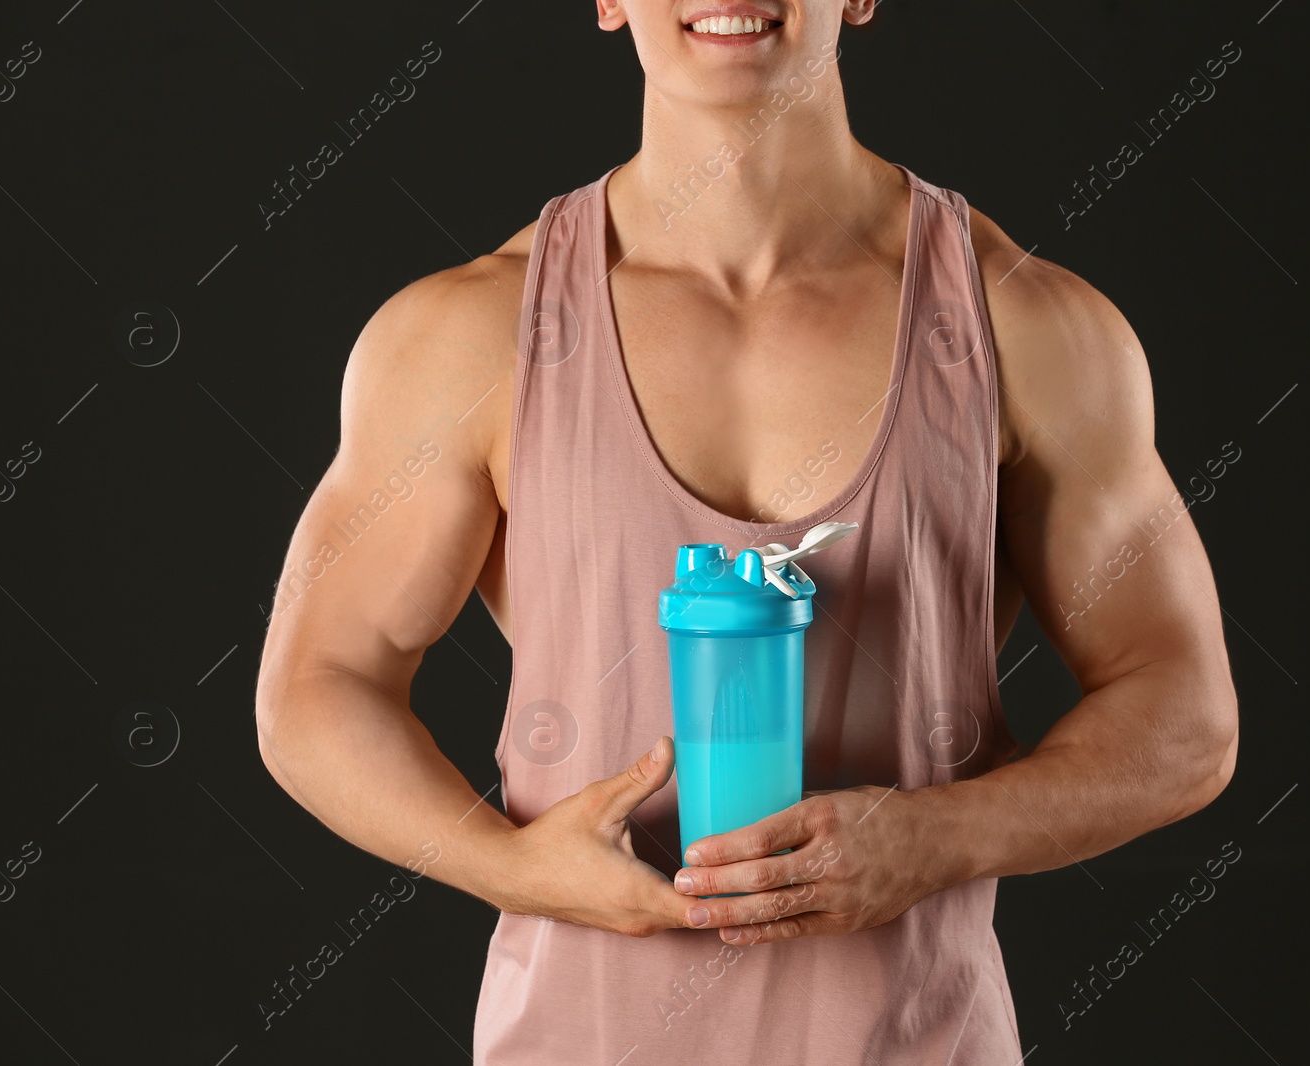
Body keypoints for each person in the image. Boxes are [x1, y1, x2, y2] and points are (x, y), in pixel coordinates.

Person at [253, 1, 1239, 1061]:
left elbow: (1185, 715)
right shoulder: (466, 338)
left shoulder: (1024, 326)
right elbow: (315, 690)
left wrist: (936, 837)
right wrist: (516, 867)